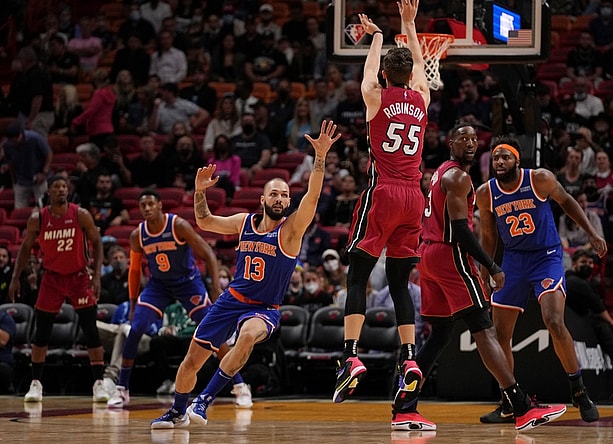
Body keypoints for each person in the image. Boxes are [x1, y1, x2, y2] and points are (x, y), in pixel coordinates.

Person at [150, 119, 340, 428]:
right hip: (230, 300)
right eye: (274, 194)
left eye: (284, 195)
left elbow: (314, 196)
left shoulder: (292, 230)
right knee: (190, 363)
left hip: (264, 309)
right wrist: (200, 192)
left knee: (248, 336)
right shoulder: (244, 222)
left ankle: (204, 401)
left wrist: (319, 157)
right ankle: (177, 411)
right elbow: (206, 222)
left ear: (289, 202)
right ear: (263, 199)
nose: (280, 199)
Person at [413, 124, 567, 431]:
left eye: (473, 139)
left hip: (427, 255)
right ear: (450, 144)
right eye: (462, 139)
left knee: (441, 334)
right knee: (484, 329)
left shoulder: (440, 172)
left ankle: (404, 403)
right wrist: (491, 266)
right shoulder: (458, 176)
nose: (470, 143)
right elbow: (460, 229)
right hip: (448, 254)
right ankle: (520, 406)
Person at [332, 3, 432, 431]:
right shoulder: (422, 99)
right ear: (410, 75)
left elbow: (367, 78)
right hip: (415, 196)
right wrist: (408, 25)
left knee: (356, 276)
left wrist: (375, 37)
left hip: (384, 191)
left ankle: (350, 355)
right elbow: (421, 73)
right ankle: (409, 359)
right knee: (398, 284)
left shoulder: (376, 96)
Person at [476, 137, 607, 423]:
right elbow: (488, 236)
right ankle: (510, 401)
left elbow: (568, 202)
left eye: (505, 157)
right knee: (499, 336)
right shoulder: (486, 193)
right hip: (512, 260)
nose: (499, 162)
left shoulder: (539, 179)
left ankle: (579, 390)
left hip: (545, 256)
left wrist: (592, 234)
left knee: (553, 320)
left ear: (517, 161)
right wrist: (485, 272)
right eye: (496, 157)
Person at [106, 188, 248, 409]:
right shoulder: (138, 235)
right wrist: (133, 304)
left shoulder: (178, 225)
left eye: (151, 204)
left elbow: (208, 254)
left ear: (160, 205)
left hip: (187, 282)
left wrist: (213, 288)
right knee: (135, 329)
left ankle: (240, 386)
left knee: (213, 332)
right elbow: (134, 271)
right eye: (142, 205)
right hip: (159, 286)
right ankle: (122, 389)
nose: (146, 209)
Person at [8, 176, 108, 403]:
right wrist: (15, 278)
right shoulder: (38, 219)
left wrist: (98, 275)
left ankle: (99, 383)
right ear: (49, 192)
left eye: (64, 187)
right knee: (41, 332)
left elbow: (98, 242)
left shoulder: (80, 214)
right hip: (52, 278)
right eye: (57, 187)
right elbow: (24, 250)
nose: (61, 190)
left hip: (79, 277)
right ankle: (36, 384)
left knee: (90, 330)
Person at [565, 249, 613, 367]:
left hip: (576, 316)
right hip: (573, 319)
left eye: (590, 263)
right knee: (602, 325)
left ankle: (611, 368)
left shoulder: (578, 280)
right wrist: (611, 321)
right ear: (574, 264)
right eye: (583, 262)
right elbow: (597, 306)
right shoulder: (576, 282)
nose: (588, 266)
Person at [2, 123, 52, 209]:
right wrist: (14, 181)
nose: (15, 142)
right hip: (21, 179)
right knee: (19, 209)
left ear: (21, 134)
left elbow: (48, 154)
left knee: (43, 207)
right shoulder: (7, 145)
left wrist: (44, 172)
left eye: (16, 139)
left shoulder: (35, 138)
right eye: (12, 141)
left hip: (38, 177)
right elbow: (10, 163)